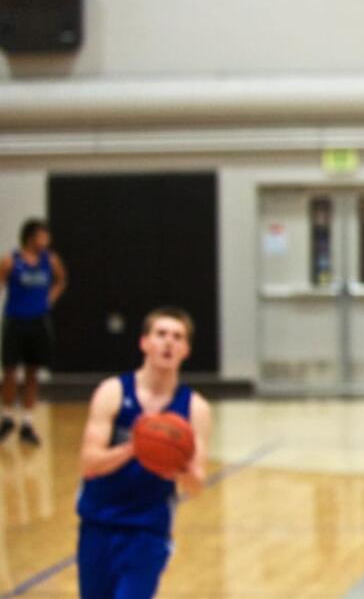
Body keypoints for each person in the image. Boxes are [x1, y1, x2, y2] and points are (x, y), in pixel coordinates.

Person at [76, 307, 210, 599]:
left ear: (185, 350)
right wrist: (135, 447)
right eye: (161, 334)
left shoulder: (194, 408)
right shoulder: (112, 392)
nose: (168, 342)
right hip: (99, 522)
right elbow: (88, 462)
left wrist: (176, 466)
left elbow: (197, 484)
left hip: (147, 528)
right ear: (144, 342)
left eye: (177, 337)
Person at [0, 218, 67, 446]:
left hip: (38, 322)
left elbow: (61, 280)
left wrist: (49, 299)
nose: (46, 240)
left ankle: (27, 423)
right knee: (9, 371)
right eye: (42, 236)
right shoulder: (11, 261)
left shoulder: (51, 260)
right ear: (31, 237)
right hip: (15, 321)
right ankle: (7, 417)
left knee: (32, 372)